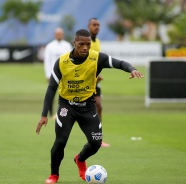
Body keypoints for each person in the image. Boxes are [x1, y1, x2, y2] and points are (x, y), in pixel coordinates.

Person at [36, 29, 144, 184]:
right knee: (60, 142)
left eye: (88, 44)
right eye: (81, 44)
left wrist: (132, 69)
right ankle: (54, 175)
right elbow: (52, 88)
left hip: (88, 107)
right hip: (67, 106)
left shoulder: (97, 58)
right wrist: (44, 114)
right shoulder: (61, 62)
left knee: (95, 142)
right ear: (74, 44)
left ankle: (80, 159)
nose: (85, 47)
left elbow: (119, 63)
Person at [88, 17, 109, 147]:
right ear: (88, 26)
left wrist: (97, 74)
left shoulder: (98, 42)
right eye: (94, 25)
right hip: (86, 81)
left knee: (98, 106)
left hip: (95, 80)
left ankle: (98, 138)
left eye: (98, 25)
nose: (97, 27)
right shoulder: (86, 41)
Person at [43, 27, 72, 117]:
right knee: (51, 94)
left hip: (65, 74)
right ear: (55, 35)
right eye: (57, 34)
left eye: (60, 34)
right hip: (53, 74)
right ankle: (51, 113)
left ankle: (64, 113)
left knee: (65, 94)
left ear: (62, 35)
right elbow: (47, 61)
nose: (59, 35)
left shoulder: (67, 46)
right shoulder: (50, 46)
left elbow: (71, 60)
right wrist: (48, 74)